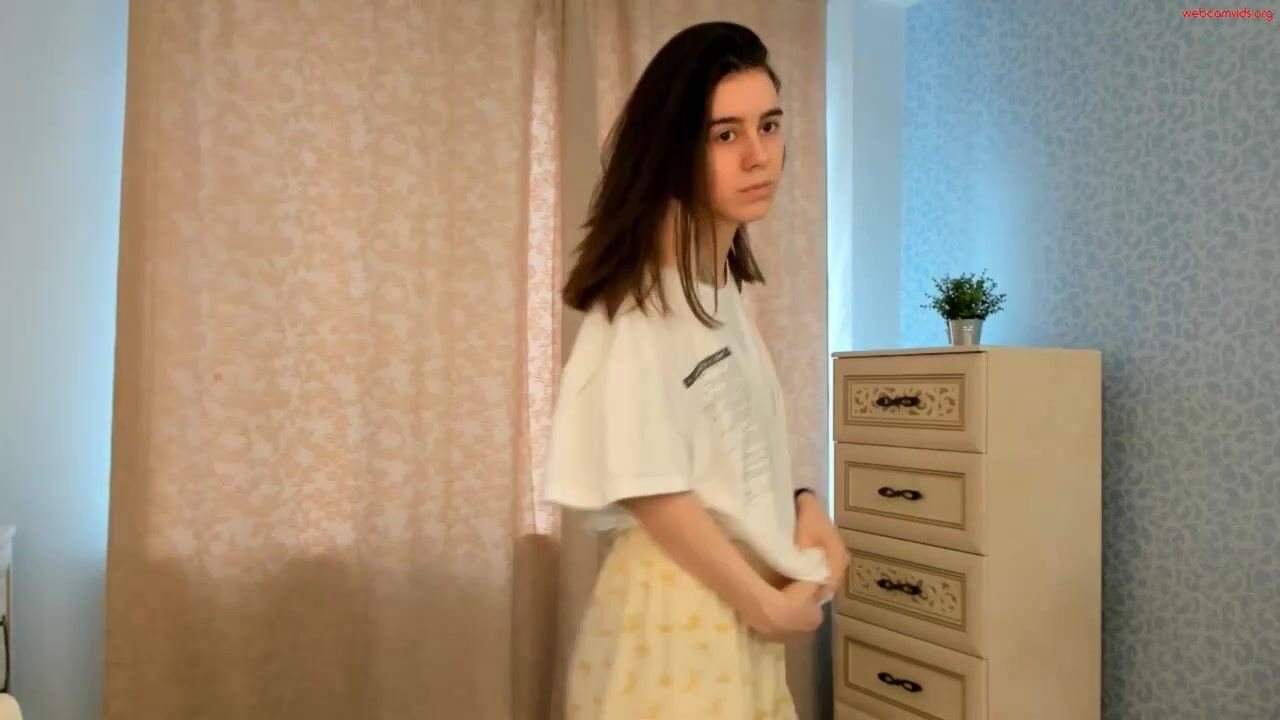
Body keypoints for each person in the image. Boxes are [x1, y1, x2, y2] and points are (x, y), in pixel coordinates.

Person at [546, 20, 849, 720]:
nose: (758, 155)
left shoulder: (716, 293)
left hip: (722, 612)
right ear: (674, 150)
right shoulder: (644, 301)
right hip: (679, 619)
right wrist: (764, 605)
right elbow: (648, 483)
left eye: (769, 126)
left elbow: (718, 452)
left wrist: (804, 504)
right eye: (725, 135)